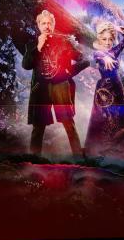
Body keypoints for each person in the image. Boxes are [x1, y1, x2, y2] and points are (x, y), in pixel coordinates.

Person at [22, 9, 89, 157]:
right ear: (38, 25)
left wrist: (68, 73)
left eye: (49, 23)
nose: (46, 26)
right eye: (43, 23)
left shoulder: (64, 42)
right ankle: (34, 159)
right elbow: (26, 65)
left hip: (60, 87)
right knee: (38, 126)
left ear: (53, 24)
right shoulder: (32, 44)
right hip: (40, 89)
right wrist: (38, 47)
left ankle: (79, 157)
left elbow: (85, 60)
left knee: (68, 122)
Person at [84, 20, 124, 160]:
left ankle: (118, 149)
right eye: (104, 39)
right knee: (106, 119)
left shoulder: (114, 51)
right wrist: (105, 57)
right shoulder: (97, 52)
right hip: (105, 91)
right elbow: (97, 55)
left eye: (110, 39)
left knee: (121, 118)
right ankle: (100, 150)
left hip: (118, 88)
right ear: (99, 39)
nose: (108, 42)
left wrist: (117, 29)